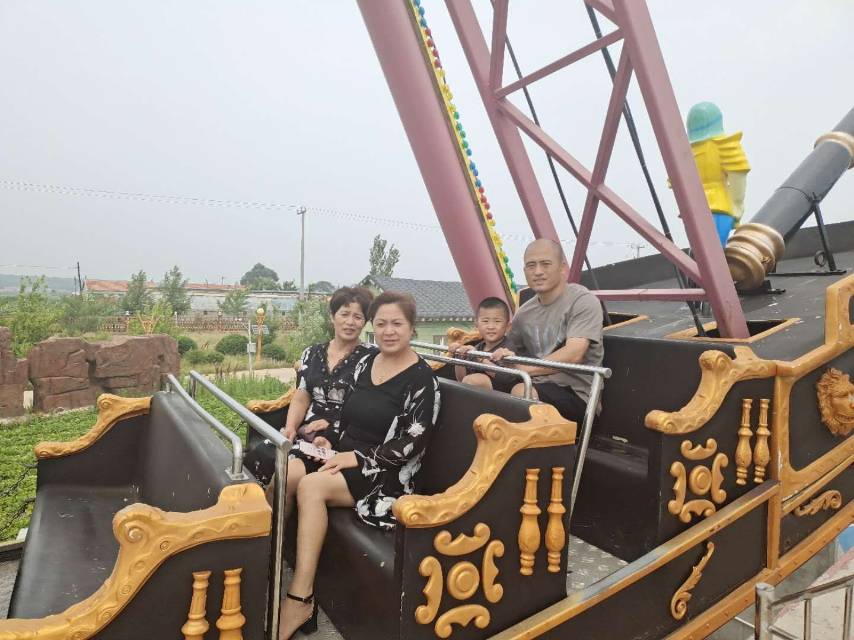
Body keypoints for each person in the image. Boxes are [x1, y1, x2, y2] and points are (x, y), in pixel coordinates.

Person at [278, 292, 441, 639]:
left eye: (397, 323)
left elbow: (413, 442)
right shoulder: (367, 364)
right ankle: (274, 555)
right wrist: (329, 440)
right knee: (293, 469)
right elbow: (345, 417)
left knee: (311, 486)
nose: (388, 331)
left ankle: (300, 598)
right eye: (381, 324)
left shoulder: (422, 380)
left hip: (387, 471)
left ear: (412, 327)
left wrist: (358, 458)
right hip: (346, 456)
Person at [249, 287, 374, 507]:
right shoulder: (312, 353)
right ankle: (260, 517)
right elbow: (302, 395)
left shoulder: (372, 359)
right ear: (332, 316)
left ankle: (273, 525)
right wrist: (290, 428)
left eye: (358, 317)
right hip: (306, 432)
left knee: (285, 475)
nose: (350, 322)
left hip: (342, 438)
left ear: (365, 322)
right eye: (344, 314)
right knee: (262, 453)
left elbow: (369, 406)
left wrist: (332, 423)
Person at [490, 239, 604, 424]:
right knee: (477, 382)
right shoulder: (524, 313)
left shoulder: (582, 301)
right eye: (531, 265)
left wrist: (523, 369)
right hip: (535, 383)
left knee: (521, 391)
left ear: (562, 267)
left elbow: (574, 353)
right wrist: (479, 353)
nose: (538, 272)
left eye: (545, 264)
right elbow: (508, 347)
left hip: (576, 395)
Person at [448, 296, 517, 393]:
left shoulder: (508, 348)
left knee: (474, 380)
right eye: (485, 321)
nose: (491, 327)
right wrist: (459, 356)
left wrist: (479, 358)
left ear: (508, 326)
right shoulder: (478, 347)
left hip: (503, 396)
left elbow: (505, 377)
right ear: (477, 325)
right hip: (480, 397)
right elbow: (461, 379)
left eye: (497, 321)